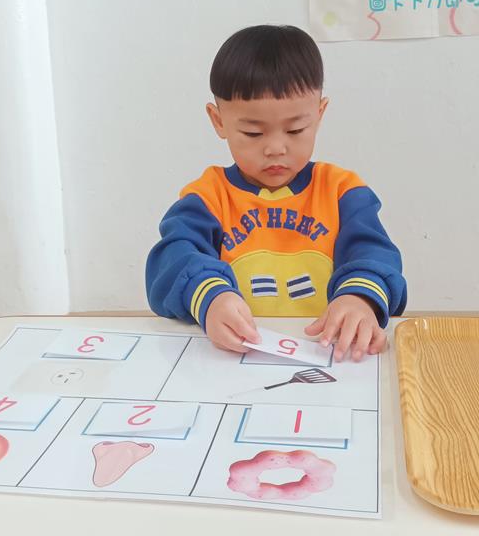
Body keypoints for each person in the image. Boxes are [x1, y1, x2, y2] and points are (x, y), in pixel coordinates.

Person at [146, 25, 406, 361]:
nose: (275, 148)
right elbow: (172, 258)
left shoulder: (342, 191)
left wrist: (360, 299)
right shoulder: (208, 197)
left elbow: (374, 253)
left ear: (319, 115)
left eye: (295, 130)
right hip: (234, 358)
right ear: (218, 120)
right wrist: (211, 298)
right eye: (253, 133)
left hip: (326, 354)